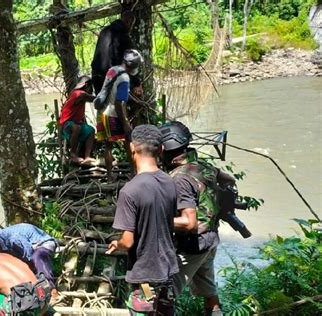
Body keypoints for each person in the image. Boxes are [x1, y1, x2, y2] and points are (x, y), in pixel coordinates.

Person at [160, 121, 235, 316]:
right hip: (210, 239)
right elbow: (229, 180)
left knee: (164, 296)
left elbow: (188, 223)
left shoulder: (178, 178)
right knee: (208, 291)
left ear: (164, 149)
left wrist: (157, 221)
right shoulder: (203, 167)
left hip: (192, 245)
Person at [106, 125, 179, 315]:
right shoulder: (169, 182)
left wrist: (117, 243)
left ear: (132, 148)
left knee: (144, 309)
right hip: (168, 269)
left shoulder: (130, 191)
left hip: (146, 276)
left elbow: (128, 241)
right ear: (161, 150)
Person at [96, 49, 143, 181]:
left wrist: (136, 100)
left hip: (102, 112)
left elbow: (118, 92)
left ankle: (110, 175)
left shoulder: (113, 70)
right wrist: (125, 123)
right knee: (129, 141)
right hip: (113, 114)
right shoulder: (125, 78)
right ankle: (134, 172)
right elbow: (118, 102)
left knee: (108, 145)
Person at [0, 223, 58, 294]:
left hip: (42, 243)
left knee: (37, 257)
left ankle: (51, 288)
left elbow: (28, 254)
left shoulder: (13, 239)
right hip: (26, 249)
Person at [91, 10, 135, 95]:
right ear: (129, 22)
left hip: (96, 75)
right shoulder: (125, 38)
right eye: (132, 25)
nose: (131, 28)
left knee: (101, 106)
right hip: (110, 77)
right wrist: (136, 83)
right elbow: (131, 62)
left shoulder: (104, 31)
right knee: (117, 105)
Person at [59, 75, 96, 164]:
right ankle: (73, 155)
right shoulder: (80, 94)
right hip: (66, 124)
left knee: (91, 130)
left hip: (76, 123)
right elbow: (93, 99)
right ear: (86, 85)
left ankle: (87, 156)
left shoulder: (78, 93)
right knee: (76, 128)